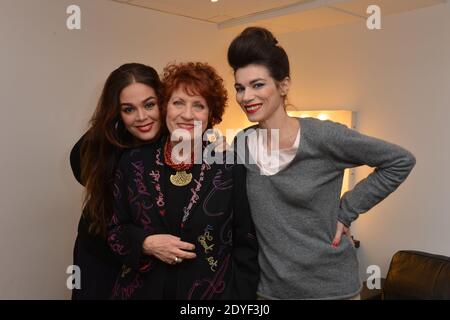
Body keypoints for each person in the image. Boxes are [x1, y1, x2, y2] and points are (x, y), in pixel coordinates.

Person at [227, 27, 416, 300]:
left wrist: (346, 211)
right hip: (270, 292)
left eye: (258, 85)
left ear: (283, 85)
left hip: (331, 290)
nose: (246, 97)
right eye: (240, 88)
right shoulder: (242, 143)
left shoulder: (322, 136)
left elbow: (399, 161)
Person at [107, 62, 259, 300]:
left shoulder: (230, 166)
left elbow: (246, 245)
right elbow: (115, 231)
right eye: (178, 102)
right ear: (165, 107)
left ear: (211, 115)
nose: (187, 114)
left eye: (198, 105)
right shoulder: (133, 161)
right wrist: (145, 243)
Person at [70, 63, 163, 299]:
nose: (142, 117)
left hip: (152, 260)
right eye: (128, 109)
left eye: (149, 105)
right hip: (100, 255)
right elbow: (81, 170)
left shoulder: (178, 141)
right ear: (117, 112)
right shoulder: (99, 144)